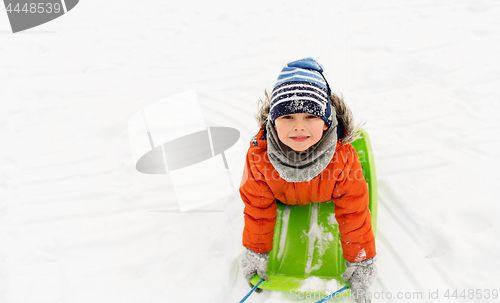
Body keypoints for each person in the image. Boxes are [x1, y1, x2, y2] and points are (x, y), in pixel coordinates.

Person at [238, 58, 377, 303]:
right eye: (287, 117)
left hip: (326, 194)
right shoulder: (259, 158)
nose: (299, 127)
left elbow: (354, 211)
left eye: (310, 117)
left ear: (325, 122)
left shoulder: (342, 158)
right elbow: (258, 209)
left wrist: (360, 261)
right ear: (273, 121)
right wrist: (255, 254)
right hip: (283, 197)